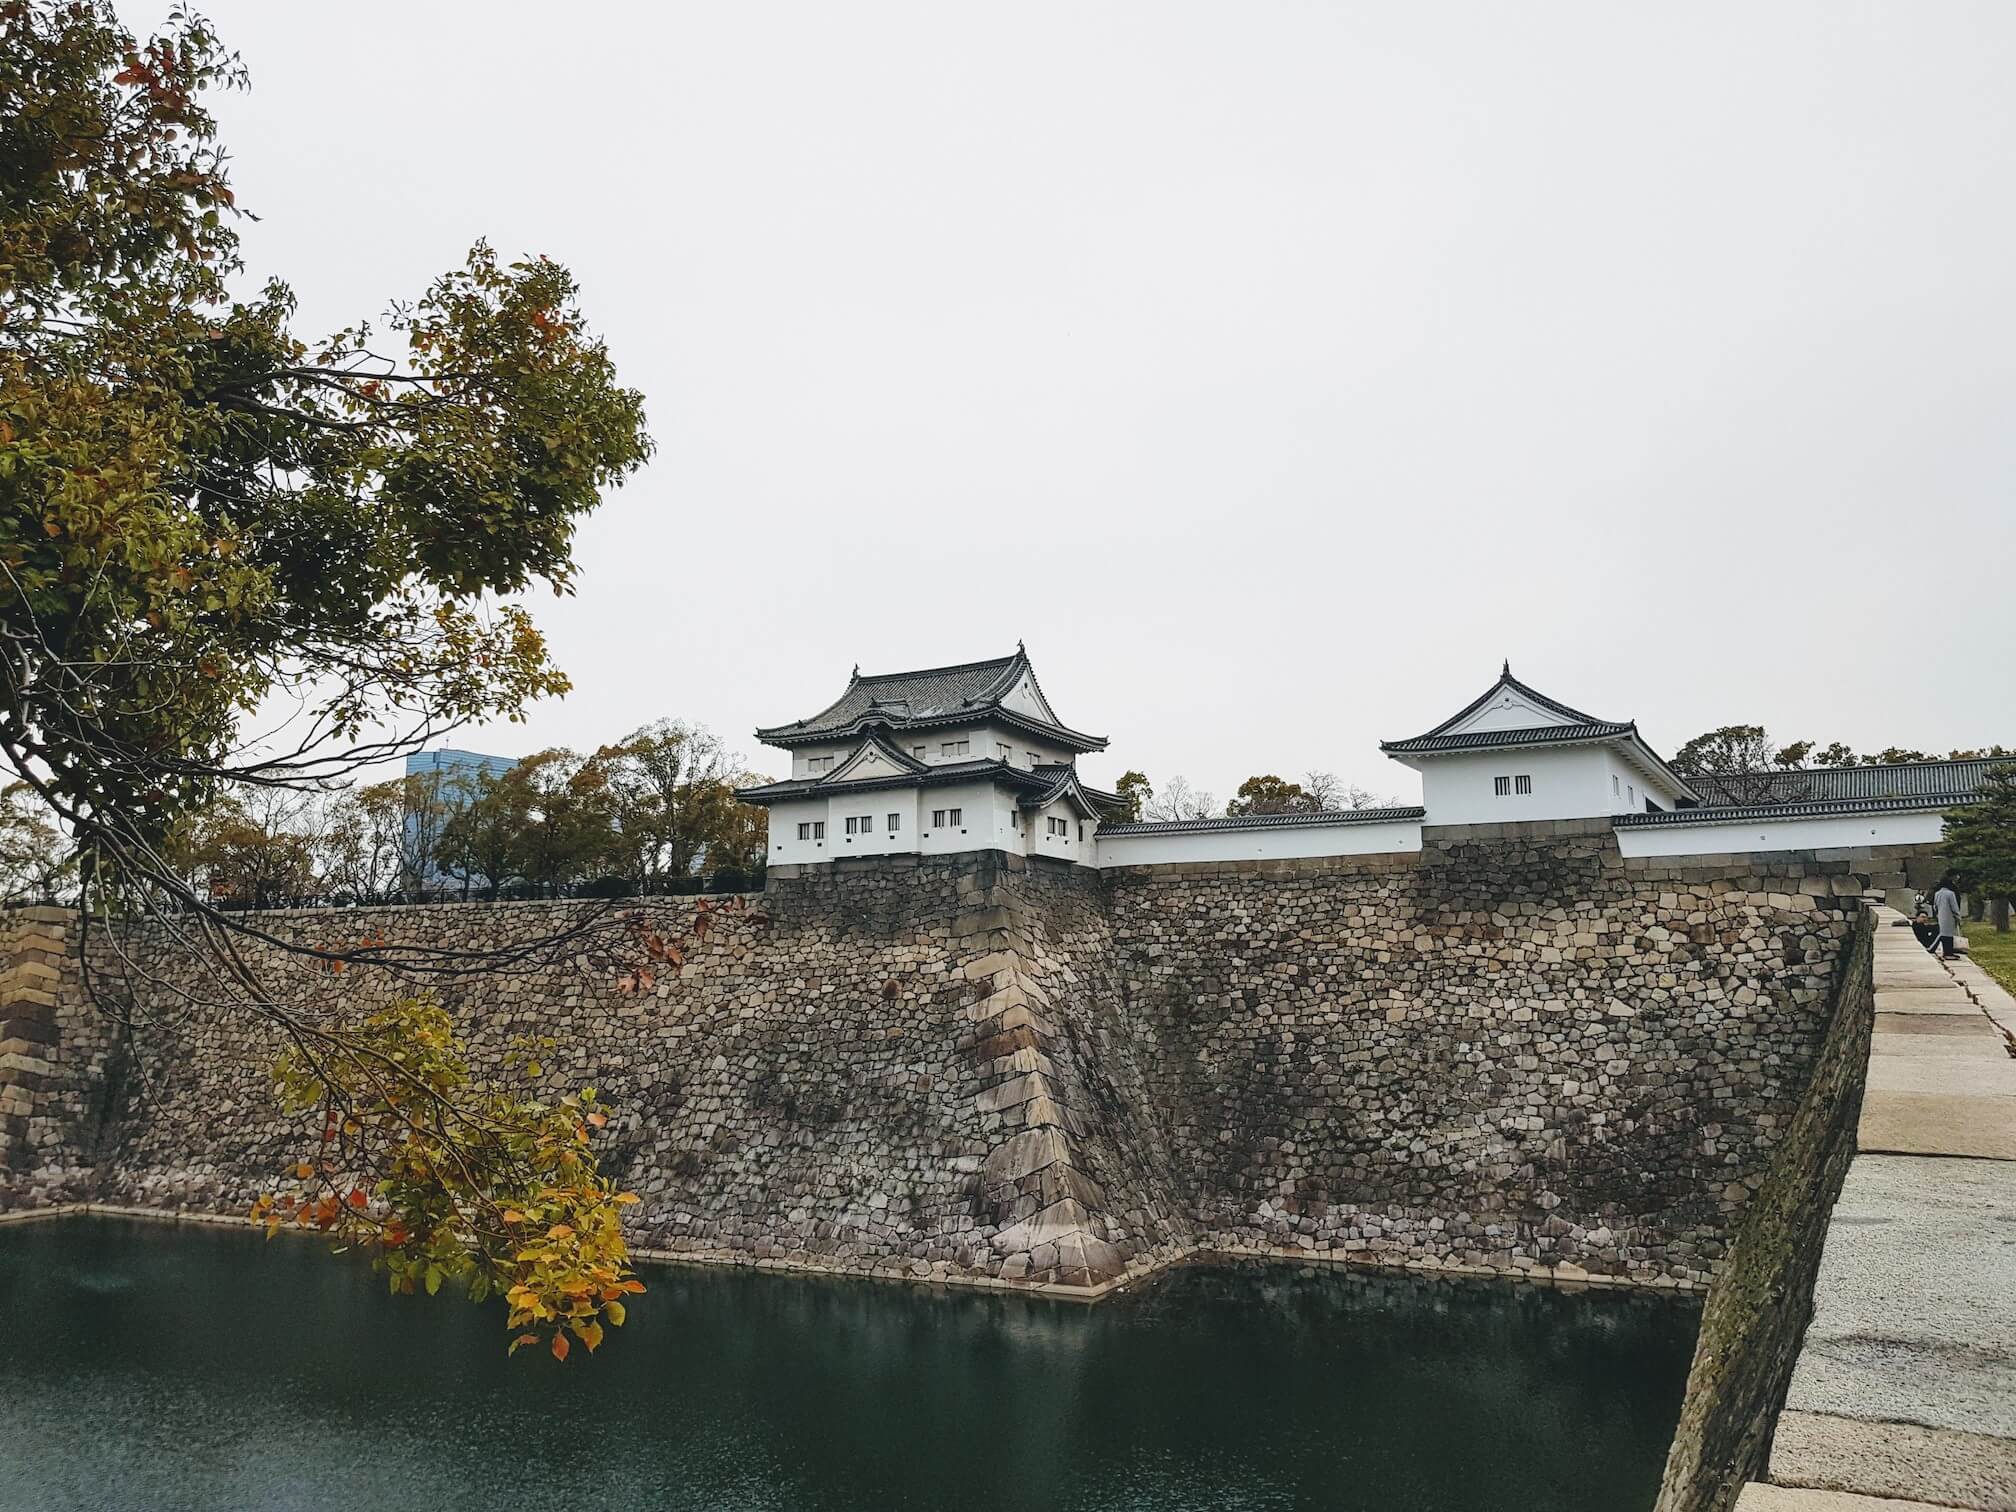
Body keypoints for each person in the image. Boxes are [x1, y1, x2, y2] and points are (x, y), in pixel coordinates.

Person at [1932, 875, 1964, 961]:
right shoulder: (1950, 894)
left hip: (1940, 916)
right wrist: (1958, 917)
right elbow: (1954, 907)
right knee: (1949, 936)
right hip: (1949, 917)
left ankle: (1945, 952)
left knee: (1943, 935)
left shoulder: (1937, 893)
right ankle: (1949, 953)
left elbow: (1935, 906)